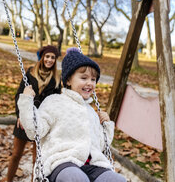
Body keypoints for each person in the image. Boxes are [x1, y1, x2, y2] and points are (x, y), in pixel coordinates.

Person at [18, 48, 126, 182]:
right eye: (84, 78)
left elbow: (101, 145)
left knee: (117, 180)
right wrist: (26, 102)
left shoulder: (91, 112)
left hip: (93, 165)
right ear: (68, 80)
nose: (90, 83)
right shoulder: (54, 102)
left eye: (93, 79)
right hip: (62, 162)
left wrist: (106, 125)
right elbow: (34, 131)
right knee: (76, 178)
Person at [3, 45, 61, 182]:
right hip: (24, 118)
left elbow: (55, 103)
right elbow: (19, 95)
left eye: (53, 57)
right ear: (42, 58)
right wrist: (20, 116)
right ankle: (8, 179)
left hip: (41, 122)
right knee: (16, 154)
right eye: (47, 56)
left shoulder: (57, 80)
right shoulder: (30, 74)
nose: (50, 60)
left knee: (37, 158)